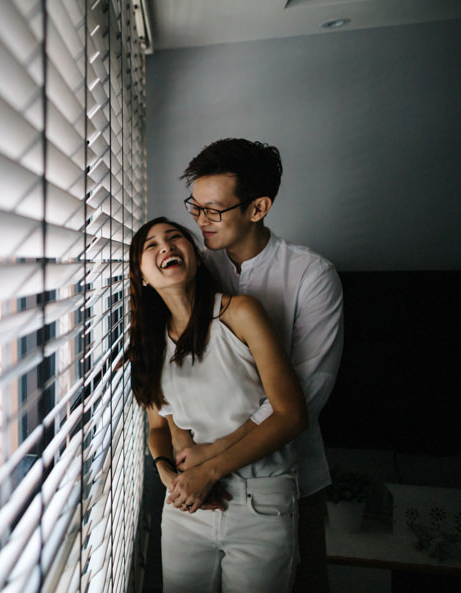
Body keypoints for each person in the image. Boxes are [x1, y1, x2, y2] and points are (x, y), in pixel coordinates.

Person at [175, 138, 344, 593]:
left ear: (258, 208)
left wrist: (217, 454)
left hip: (287, 480)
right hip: (198, 482)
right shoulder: (191, 270)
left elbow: (308, 393)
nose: (199, 221)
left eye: (214, 210)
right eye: (195, 207)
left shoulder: (312, 276)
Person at [128, 217, 308, 593]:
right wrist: (169, 476)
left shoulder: (240, 313)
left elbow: (291, 415)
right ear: (142, 276)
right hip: (187, 505)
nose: (166, 247)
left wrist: (208, 471)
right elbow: (158, 428)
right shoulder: (151, 344)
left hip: (260, 500)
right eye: (151, 245)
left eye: (175, 238)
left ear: (194, 254)